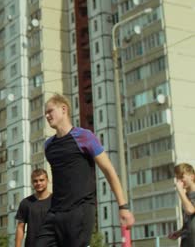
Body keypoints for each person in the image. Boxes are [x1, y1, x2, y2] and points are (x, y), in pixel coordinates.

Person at [35, 94, 135, 247]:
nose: (47, 116)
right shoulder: (49, 145)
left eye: (50, 111)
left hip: (80, 211)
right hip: (55, 212)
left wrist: (123, 207)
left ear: (63, 109)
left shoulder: (84, 137)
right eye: (45, 113)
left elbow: (109, 170)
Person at [15, 168, 52, 247]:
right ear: (32, 182)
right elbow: (20, 227)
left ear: (47, 180)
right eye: (35, 181)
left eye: (41, 180)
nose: (38, 183)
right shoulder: (26, 203)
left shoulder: (56, 201)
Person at [168, 163, 195, 246]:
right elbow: (189, 222)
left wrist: (180, 191)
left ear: (192, 176)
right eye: (177, 178)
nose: (179, 181)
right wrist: (179, 232)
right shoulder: (186, 196)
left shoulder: (184, 195)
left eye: (181, 177)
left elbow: (190, 210)